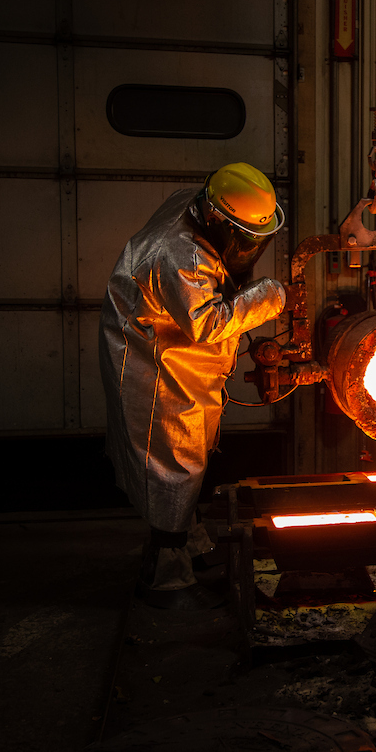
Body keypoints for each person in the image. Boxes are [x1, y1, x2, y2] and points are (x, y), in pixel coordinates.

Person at [99, 162, 287, 610]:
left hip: (179, 352)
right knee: (171, 463)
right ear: (219, 218)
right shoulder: (177, 254)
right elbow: (208, 321)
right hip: (155, 362)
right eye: (242, 236)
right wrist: (269, 297)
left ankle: (192, 544)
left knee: (193, 459)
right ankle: (166, 577)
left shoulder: (198, 203)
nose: (248, 248)